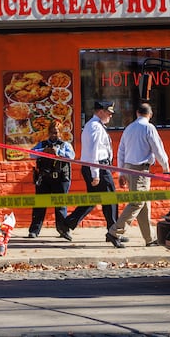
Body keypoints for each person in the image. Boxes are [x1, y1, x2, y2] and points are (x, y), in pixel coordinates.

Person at [106, 103, 170, 248]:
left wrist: (121, 171)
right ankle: (115, 232)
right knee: (138, 202)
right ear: (150, 114)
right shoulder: (149, 128)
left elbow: (121, 151)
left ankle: (150, 238)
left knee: (144, 204)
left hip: (129, 168)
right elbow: (158, 149)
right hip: (140, 170)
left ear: (137, 113)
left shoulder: (129, 128)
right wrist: (166, 168)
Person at [58, 100, 118, 241]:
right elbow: (94, 151)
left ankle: (67, 223)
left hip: (93, 166)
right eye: (108, 113)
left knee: (93, 199)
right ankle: (113, 231)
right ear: (101, 111)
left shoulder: (93, 125)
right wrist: (95, 173)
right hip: (98, 167)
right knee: (111, 198)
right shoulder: (95, 127)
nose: (110, 115)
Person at [27, 120, 75, 239]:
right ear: (49, 133)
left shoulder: (65, 145)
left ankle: (63, 230)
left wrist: (58, 152)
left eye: (57, 133)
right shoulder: (42, 144)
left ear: (60, 133)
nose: (54, 135)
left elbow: (71, 157)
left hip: (61, 178)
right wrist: (43, 152)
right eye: (52, 132)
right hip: (44, 178)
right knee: (40, 205)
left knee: (61, 206)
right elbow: (31, 154)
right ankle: (34, 231)